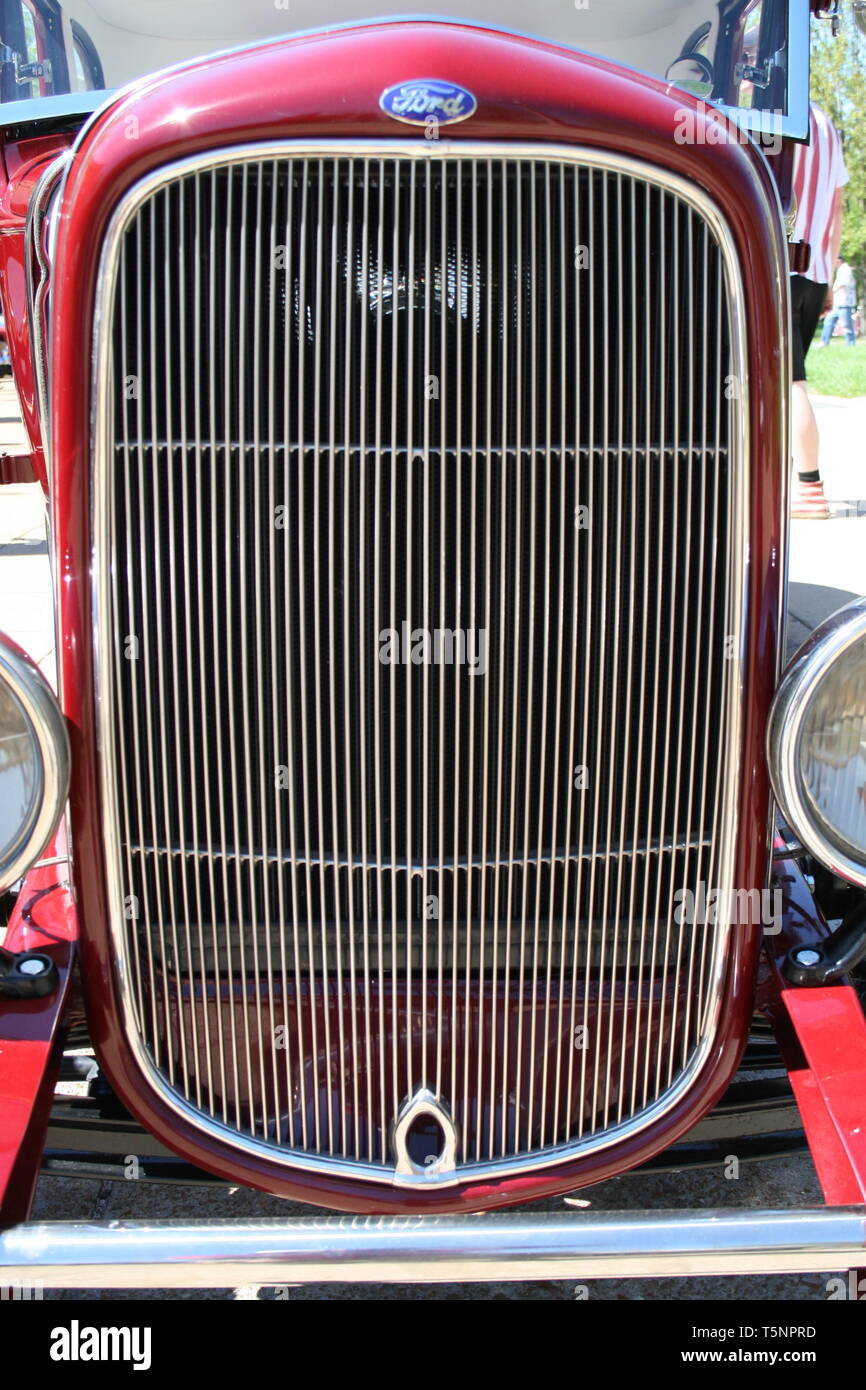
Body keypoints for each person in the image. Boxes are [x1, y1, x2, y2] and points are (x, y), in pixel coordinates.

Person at [788, 103, 849, 519]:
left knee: (791, 382)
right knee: (788, 380)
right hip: (815, 272)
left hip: (781, 263)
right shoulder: (827, 125)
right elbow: (838, 208)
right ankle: (793, 483)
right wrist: (829, 268)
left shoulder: (773, 113)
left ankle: (809, 488)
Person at [818, 255, 857, 347]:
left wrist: (831, 291)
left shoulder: (845, 269)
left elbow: (842, 284)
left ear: (838, 260)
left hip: (844, 302)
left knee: (847, 325)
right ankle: (824, 342)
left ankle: (851, 344)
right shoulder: (840, 270)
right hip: (837, 302)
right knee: (828, 321)